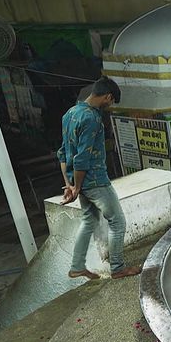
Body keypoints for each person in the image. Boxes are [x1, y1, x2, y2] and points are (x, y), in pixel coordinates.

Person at [57, 77, 141, 280]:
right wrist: (76, 187)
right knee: (117, 221)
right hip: (95, 180)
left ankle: (77, 266)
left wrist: (70, 184)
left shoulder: (70, 113)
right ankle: (118, 268)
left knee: (89, 220)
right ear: (107, 97)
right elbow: (81, 159)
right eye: (111, 102)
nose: (109, 106)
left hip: (80, 181)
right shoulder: (92, 118)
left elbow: (62, 152)